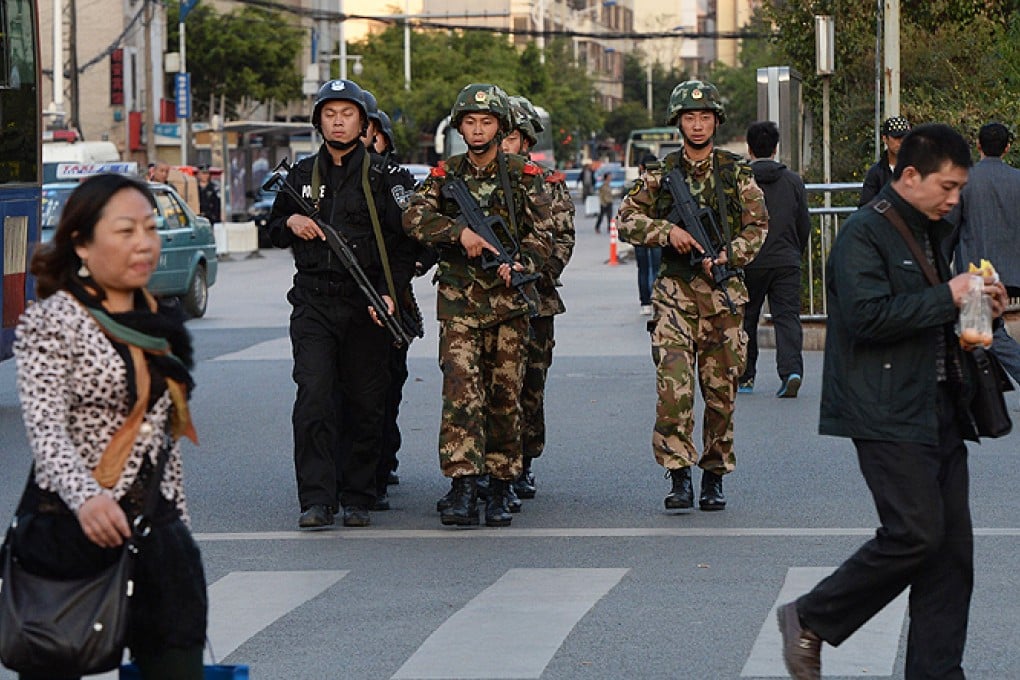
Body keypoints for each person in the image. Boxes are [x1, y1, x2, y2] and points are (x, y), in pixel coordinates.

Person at [777, 123, 1008, 680]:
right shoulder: (863, 233)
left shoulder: (935, 228)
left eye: (959, 190)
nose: (954, 200)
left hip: (942, 407)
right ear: (910, 176)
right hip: (884, 410)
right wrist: (946, 295)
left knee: (952, 558)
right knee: (914, 534)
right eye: (947, 188)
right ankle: (811, 616)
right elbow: (865, 318)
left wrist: (982, 305)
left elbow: (934, 310)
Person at [12, 173, 207, 679]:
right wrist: (87, 499)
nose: (144, 243)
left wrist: (181, 537)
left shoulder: (162, 322)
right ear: (81, 242)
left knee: (177, 663)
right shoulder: (53, 320)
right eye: (126, 231)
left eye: (150, 228)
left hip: (156, 531)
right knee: (55, 661)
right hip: (71, 526)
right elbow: (45, 430)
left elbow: (164, 442)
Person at [267, 79, 417, 530]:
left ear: (363, 122)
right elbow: (270, 228)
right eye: (329, 113)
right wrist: (291, 220)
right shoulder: (299, 175)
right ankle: (316, 498)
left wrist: (392, 290)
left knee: (365, 400)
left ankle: (357, 493)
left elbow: (414, 241)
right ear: (318, 122)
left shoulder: (387, 178)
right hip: (314, 302)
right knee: (313, 396)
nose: (337, 121)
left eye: (347, 113)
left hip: (368, 304)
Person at [403, 83, 554, 528]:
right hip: (459, 305)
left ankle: (503, 482)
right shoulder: (444, 176)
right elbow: (412, 217)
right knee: (460, 393)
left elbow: (543, 232)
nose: (477, 129)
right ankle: (463, 484)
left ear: (501, 126)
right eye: (470, 122)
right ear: (459, 127)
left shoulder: (523, 176)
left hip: (509, 302)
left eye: (486, 122)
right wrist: (458, 234)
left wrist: (523, 264)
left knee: (505, 394)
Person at [617, 79, 768, 513]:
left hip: (723, 295)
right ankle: (679, 475)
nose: (697, 125)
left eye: (704, 117)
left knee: (721, 394)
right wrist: (669, 232)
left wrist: (727, 255)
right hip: (675, 295)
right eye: (689, 117)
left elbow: (759, 227)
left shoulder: (736, 172)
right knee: (674, 390)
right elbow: (627, 219)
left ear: (716, 122)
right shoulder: (660, 174)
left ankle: (714, 476)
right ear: (677, 122)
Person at [503, 94, 575, 503]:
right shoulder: (474, 180)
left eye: (512, 136)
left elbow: (563, 238)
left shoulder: (547, 182)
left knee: (529, 387)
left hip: (535, 301)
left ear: (526, 140)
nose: (505, 145)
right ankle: (488, 468)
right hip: (486, 300)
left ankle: (524, 463)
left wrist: (535, 272)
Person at [738, 121, 810, 397]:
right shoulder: (793, 181)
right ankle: (791, 371)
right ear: (776, 148)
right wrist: (795, 252)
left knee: (746, 318)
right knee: (787, 317)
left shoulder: (741, 181)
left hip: (749, 260)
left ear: (749, 148)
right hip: (786, 260)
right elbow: (803, 223)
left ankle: (745, 377)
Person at [947, 121, 1020, 387]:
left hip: (978, 272)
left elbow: (951, 227)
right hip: (1015, 271)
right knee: (986, 331)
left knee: (981, 332)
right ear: (1007, 147)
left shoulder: (966, 181)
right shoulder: (1018, 180)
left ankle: (972, 393)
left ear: (977, 146)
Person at [633, 153, 663, 316]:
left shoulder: (635, 186)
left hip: (639, 234)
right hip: (657, 232)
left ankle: (645, 302)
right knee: (657, 268)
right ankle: (656, 299)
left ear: (641, 167)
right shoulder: (660, 186)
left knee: (643, 269)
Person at [859, 115, 911, 206]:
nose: (901, 142)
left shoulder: (917, 169)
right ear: (885, 139)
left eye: (905, 138)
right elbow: (865, 207)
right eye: (896, 138)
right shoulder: (875, 173)